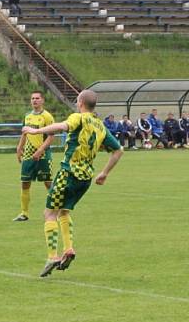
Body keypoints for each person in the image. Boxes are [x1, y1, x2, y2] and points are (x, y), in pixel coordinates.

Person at [22, 90, 123, 278]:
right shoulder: (101, 126)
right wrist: (104, 173)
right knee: (64, 211)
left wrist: (36, 131)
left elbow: (62, 126)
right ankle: (68, 249)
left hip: (69, 171)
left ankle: (52, 256)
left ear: (80, 102)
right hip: (85, 178)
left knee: (49, 213)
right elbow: (118, 150)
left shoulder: (79, 117)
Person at [13, 91, 55, 222]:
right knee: (25, 183)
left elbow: (51, 136)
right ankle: (24, 213)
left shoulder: (47, 116)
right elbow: (24, 133)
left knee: (48, 183)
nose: (35, 100)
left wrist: (40, 150)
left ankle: (55, 210)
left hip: (43, 155)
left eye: (37, 98)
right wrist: (19, 148)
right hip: (28, 155)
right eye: (32, 98)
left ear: (42, 100)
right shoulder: (27, 116)